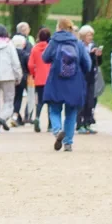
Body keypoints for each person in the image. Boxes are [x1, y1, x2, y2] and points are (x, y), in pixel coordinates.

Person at [39, 21, 92, 150]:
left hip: (56, 80)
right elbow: (88, 64)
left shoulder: (54, 42)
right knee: (71, 112)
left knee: (54, 109)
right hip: (74, 82)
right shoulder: (78, 43)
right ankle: (68, 142)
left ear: (58, 28)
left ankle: (57, 131)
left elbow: (45, 58)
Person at [75, 24, 101, 132]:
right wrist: (90, 55)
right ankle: (79, 124)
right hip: (81, 76)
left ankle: (87, 123)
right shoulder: (79, 46)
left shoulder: (93, 45)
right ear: (83, 36)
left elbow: (98, 63)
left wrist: (99, 56)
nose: (90, 38)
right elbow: (80, 61)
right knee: (82, 100)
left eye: (91, 35)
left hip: (91, 77)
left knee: (90, 101)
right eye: (88, 35)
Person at [27, 27, 53, 132]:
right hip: (50, 79)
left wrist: (34, 74)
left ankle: (37, 117)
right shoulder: (51, 48)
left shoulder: (35, 48)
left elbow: (30, 64)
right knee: (51, 102)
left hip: (39, 79)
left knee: (40, 101)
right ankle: (50, 124)